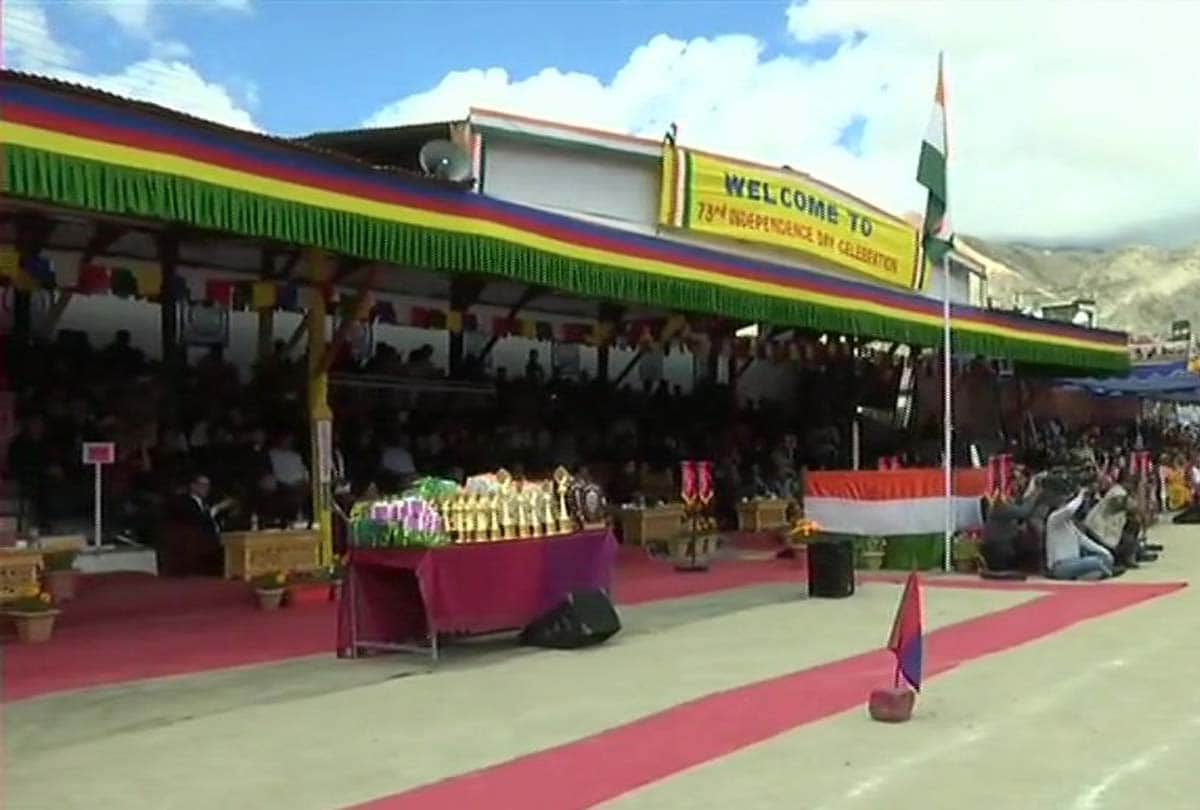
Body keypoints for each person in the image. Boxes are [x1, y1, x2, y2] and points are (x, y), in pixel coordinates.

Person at [1045, 490, 1116, 580]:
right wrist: (1080, 496)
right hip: (1060, 566)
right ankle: (1108, 573)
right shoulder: (1053, 519)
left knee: (1103, 558)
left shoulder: (1071, 525)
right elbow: (1069, 510)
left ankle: (1087, 575)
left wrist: (1106, 553)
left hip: (1075, 562)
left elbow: (1086, 542)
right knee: (1094, 562)